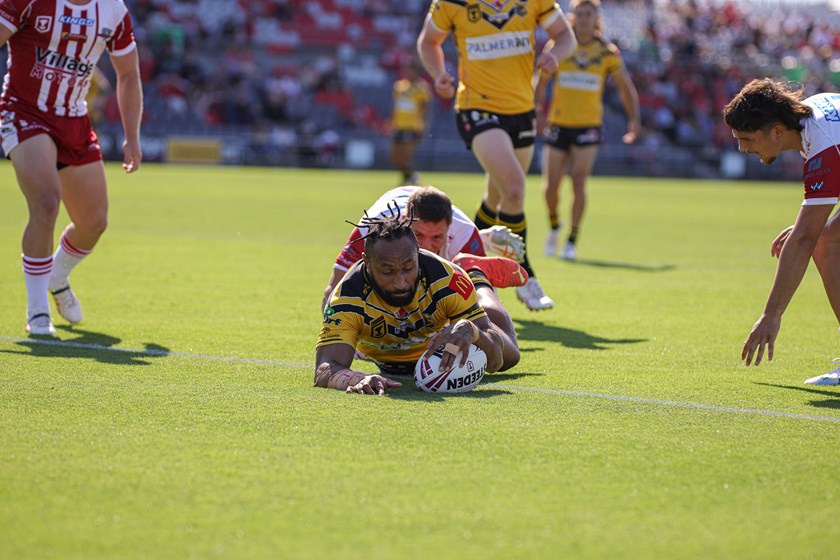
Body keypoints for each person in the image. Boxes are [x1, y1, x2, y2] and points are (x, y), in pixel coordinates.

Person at [416, 0, 576, 311]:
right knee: (515, 188)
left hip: (522, 110)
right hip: (476, 109)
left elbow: (565, 35)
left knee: (497, 197)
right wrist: (438, 73)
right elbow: (428, 41)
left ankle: (464, 267)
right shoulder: (451, 3)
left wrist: (555, 55)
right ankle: (526, 277)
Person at [0, 0, 143, 336]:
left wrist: (132, 137)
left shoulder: (113, 10)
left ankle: (58, 276)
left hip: (74, 119)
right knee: (47, 202)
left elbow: (128, 74)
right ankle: (37, 312)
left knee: (94, 222)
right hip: (24, 112)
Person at [321, 185, 527, 371]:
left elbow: (484, 322)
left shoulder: (463, 233)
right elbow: (333, 289)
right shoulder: (369, 231)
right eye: (419, 236)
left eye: (436, 237)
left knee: (498, 336)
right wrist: (342, 334)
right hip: (398, 240)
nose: (426, 247)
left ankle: (475, 271)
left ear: (449, 229)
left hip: (449, 266)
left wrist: (473, 330)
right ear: (405, 224)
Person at [723, 78, 840, 385]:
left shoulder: (822, 141)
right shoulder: (813, 118)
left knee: (819, 240)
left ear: (776, 131)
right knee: (826, 240)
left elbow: (803, 241)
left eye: (747, 139)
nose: (742, 148)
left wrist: (771, 316)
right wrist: (807, 225)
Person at [315, 211, 506, 395]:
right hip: (385, 360)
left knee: (509, 354)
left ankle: (478, 275)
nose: (400, 282)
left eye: (408, 268)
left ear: (418, 254)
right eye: (387, 272)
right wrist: (355, 378)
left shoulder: (447, 279)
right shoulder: (347, 297)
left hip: (445, 343)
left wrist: (472, 331)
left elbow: (496, 360)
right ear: (367, 262)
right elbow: (324, 370)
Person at [535, 0, 640, 261]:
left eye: (588, 13)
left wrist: (634, 120)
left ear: (596, 18)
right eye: (579, 13)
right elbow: (541, 79)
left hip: (588, 126)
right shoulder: (559, 45)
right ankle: (554, 225)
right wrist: (537, 110)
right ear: (572, 17)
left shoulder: (606, 51)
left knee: (579, 180)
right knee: (551, 187)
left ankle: (571, 240)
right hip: (558, 124)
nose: (583, 18)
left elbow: (625, 87)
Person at [390, 60, 431, 185]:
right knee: (395, 158)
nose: (408, 73)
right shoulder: (399, 87)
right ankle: (411, 177)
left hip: (412, 127)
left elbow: (425, 109)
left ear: (417, 72)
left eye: (411, 70)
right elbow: (395, 107)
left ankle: (406, 181)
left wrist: (424, 127)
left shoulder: (422, 89)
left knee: (406, 156)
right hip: (398, 126)